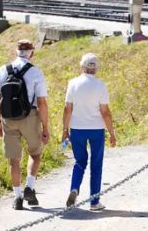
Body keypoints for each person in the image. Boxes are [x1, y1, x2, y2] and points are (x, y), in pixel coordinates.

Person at [0, 39, 50, 210]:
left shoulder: (4, 70)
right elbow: (42, 103)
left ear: (16, 52)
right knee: (35, 153)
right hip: (30, 117)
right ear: (32, 53)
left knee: (14, 159)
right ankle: (29, 187)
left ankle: (17, 198)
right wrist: (45, 128)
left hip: (8, 119)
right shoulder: (35, 72)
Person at [61, 53, 116, 211]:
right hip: (96, 129)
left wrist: (65, 130)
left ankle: (74, 188)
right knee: (96, 165)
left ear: (82, 66)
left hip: (77, 128)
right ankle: (94, 202)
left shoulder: (73, 83)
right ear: (96, 69)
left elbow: (67, 108)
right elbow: (105, 112)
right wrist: (111, 133)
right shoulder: (101, 85)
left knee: (80, 161)